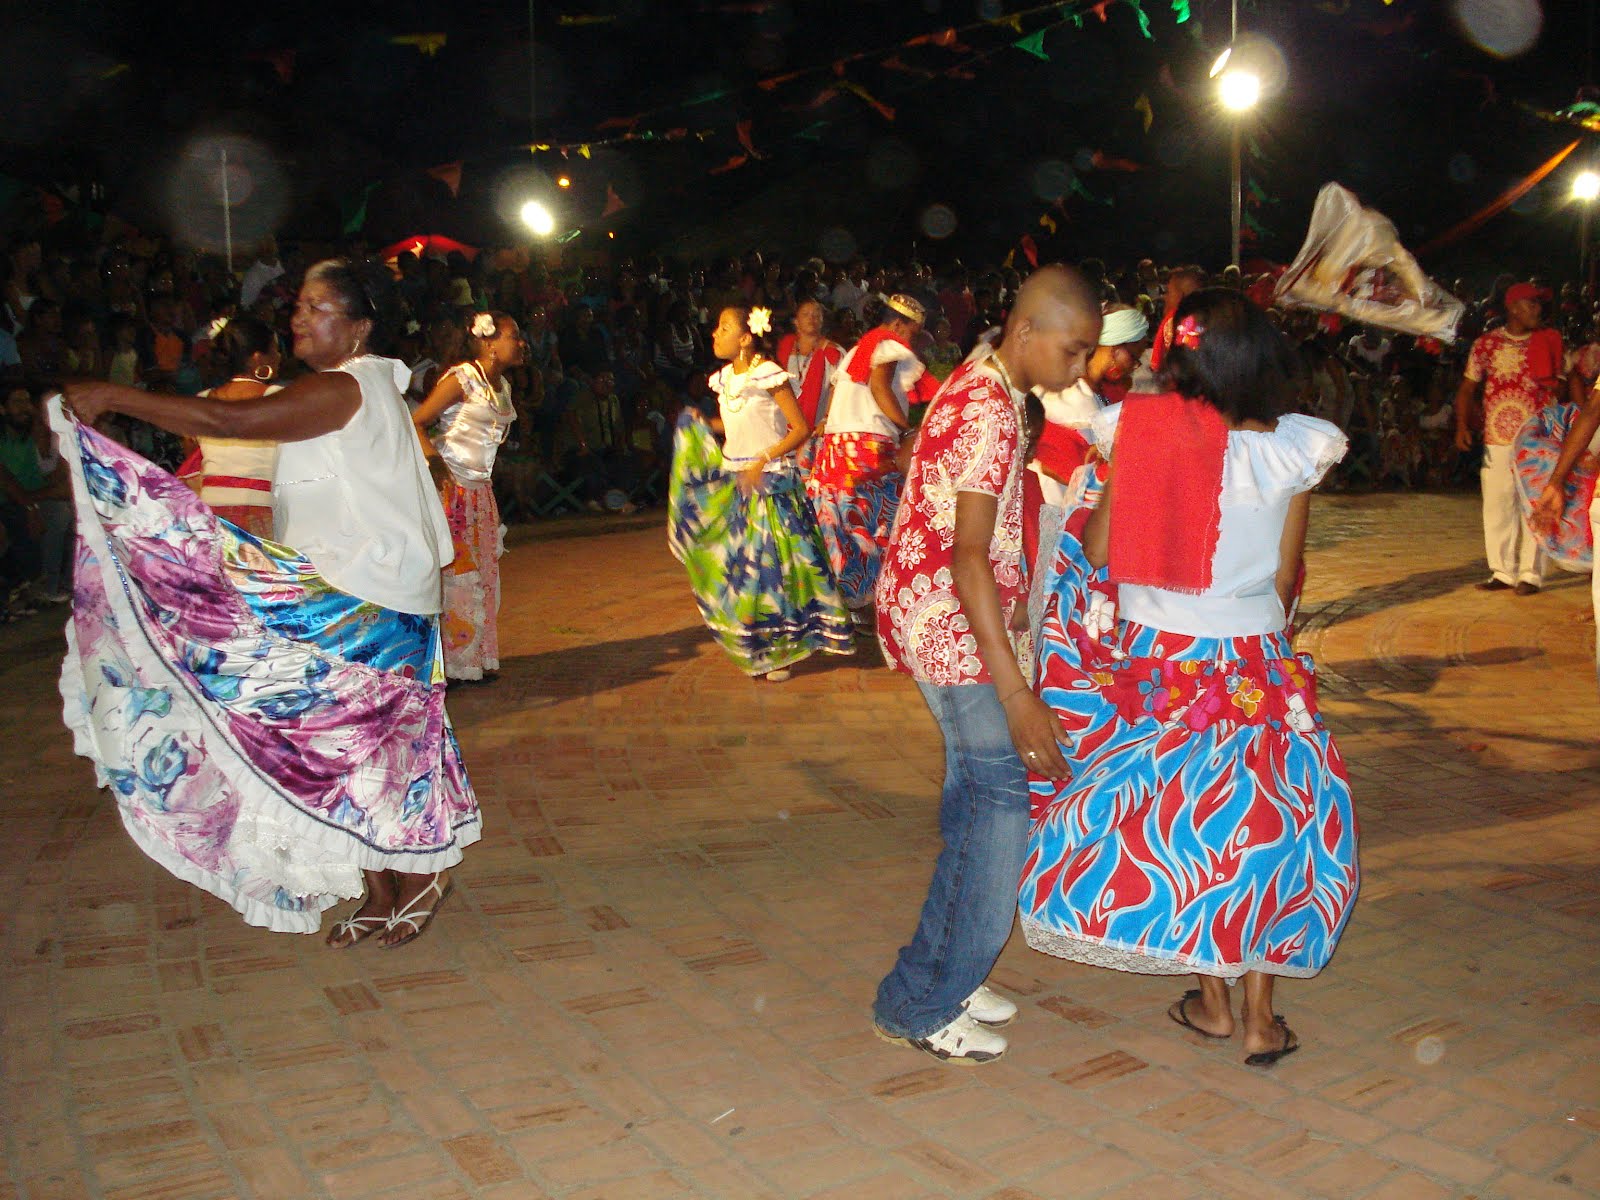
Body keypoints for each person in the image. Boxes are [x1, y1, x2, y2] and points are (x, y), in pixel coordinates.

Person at [59, 258, 477, 948]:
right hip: (333, 582)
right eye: (299, 307)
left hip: (371, 590)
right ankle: (377, 886)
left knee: (370, 741)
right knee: (327, 739)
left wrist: (115, 395)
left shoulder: (344, 387)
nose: (300, 318)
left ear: (360, 327)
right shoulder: (351, 387)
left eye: (319, 308)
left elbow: (227, 419)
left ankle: (423, 875)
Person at [1020, 288, 1358, 1067]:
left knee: (1188, 827)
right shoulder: (1294, 448)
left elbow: (1100, 551)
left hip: (1159, 663)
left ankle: (1210, 1001)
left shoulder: (1136, 432)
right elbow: (1283, 579)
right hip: (1253, 662)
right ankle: (1260, 1020)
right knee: (1268, 826)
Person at [872, 265, 1102, 1064]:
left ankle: (938, 978)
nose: (1081, 370)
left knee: (979, 804)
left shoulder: (991, 385)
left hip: (942, 610)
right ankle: (924, 1002)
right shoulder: (991, 412)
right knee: (997, 805)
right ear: (1029, 332)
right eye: (1074, 351)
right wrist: (1015, 690)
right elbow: (968, 556)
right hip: (947, 624)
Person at [668, 304, 853, 682]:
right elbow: (735, 425)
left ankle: (782, 651)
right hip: (740, 484)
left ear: (745, 337)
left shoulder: (769, 375)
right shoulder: (721, 380)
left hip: (772, 483)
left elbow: (799, 428)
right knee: (740, 573)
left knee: (772, 572)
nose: (714, 334)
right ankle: (761, 646)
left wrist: (762, 459)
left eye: (723, 328)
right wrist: (705, 424)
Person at [807, 295, 934, 627]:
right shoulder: (888, 345)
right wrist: (907, 431)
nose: (913, 341)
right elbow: (880, 387)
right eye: (913, 332)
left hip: (836, 450)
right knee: (880, 527)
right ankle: (876, 604)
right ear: (896, 325)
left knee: (841, 526)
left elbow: (836, 396)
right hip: (867, 449)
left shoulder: (854, 351)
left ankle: (851, 604)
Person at [412, 311, 523, 682]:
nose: (520, 343)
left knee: (485, 575)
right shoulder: (462, 378)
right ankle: (454, 665)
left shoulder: (501, 385)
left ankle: (477, 660)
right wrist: (434, 463)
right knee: (457, 578)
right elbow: (417, 421)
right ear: (489, 342)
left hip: (479, 491)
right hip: (452, 489)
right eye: (513, 335)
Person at [1455, 282, 1561, 595]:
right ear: (1513, 307)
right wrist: (1462, 425)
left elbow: (1565, 386)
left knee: (1534, 505)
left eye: (1539, 304)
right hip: (1497, 437)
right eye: (1531, 303)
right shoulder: (1486, 344)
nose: (1537, 309)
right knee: (1498, 505)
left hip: (1538, 440)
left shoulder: (1549, 342)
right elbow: (1466, 388)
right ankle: (1502, 572)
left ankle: (1531, 574)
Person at [187, 316, 282, 539]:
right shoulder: (276, 399)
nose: (279, 357)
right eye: (275, 350)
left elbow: (194, 463)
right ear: (258, 358)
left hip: (211, 510)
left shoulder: (201, 401)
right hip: (261, 507)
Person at [776, 298, 843, 477]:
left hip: (817, 429)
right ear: (796, 321)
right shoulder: (785, 347)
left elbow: (839, 388)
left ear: (822, 321)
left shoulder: (833, 351)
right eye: (806, 314)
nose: (811, 318)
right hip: (785, 428)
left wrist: (827, 419)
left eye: (816, 315)